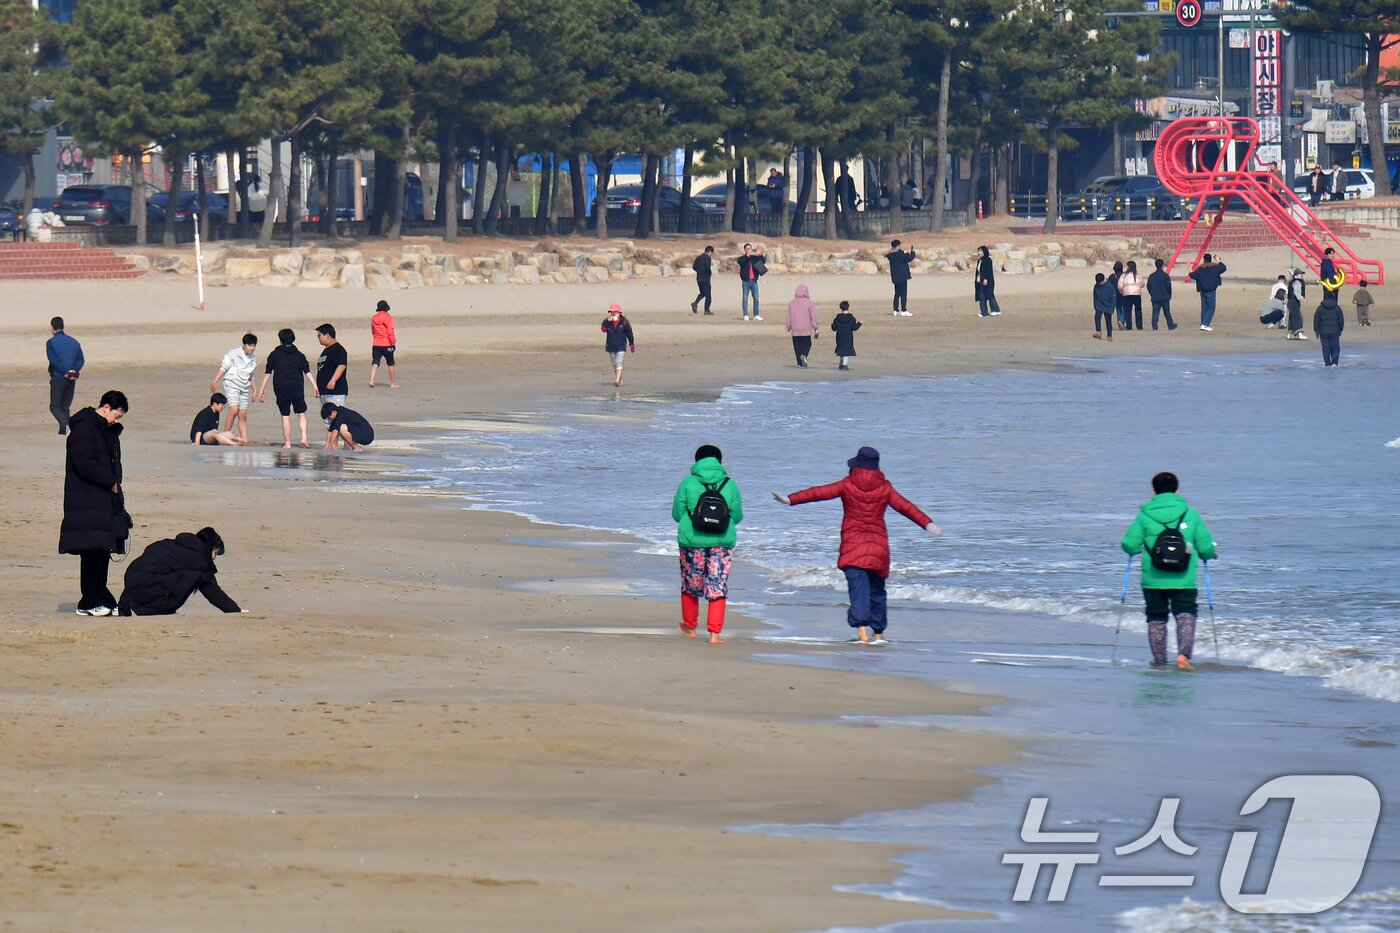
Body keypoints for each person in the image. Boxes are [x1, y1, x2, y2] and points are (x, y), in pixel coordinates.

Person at [772, 446, 941, 645]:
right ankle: (878, 635)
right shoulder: (885, 488)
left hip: (853, 545)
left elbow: (819, 492)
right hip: (878, 546)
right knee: (877, 591)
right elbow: (906, 507)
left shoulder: (847, 484)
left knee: (858, 589)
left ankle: (862, 634)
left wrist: (791, 499)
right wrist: (927, 523)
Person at [1120, 471, 1218, 670]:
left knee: (1156, 618)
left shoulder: (1145, 515)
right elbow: (1206, 547)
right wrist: (1209, 554)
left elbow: (1129, 544)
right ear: (1177, 491)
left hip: (1153, 578)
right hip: (1184, 578)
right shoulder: (1190, 514)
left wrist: (1139, 548)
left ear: (1154, 491)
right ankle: (1183, 656)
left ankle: (1160, 661)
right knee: (1185, 615)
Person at [60, 389, 128, 617]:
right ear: (105, 407)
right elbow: (84, 463)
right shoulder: (83, 429)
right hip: (86, 500)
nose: (116, 420)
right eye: (116, 415)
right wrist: (111, 482)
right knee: (91, 553)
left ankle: (101, 598)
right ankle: (88, 602)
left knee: (102, 552)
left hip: (102, 501)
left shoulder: (105, 431)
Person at [671, 444, 743, 645]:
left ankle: (690, 627)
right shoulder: (730, 484)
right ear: (719, 462)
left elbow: (677, 514)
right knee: (717, 585)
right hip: (721, 542)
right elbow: (737, 516)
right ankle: (714, 634)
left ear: (697, 461)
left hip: (692, 541)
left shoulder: (687, 483)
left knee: (690, 583)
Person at [116, 527, 242, 616]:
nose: (214, 557)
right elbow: (212, 591)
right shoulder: (199, 558)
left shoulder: (176, 545)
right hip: (147, 586)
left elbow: (143, 570)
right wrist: (235, 611)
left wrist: (123, 604)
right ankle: (158, 608)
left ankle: (137, 605)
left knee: (152, 572)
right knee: (197, 577)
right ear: (210, 547)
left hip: (132, 579)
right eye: (215, 552)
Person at [257, 328, 318, 448]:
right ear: (293, 339)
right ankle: (304, 438)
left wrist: (262, 390)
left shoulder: (274, 354)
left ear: (280, 340)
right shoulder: (299, 355)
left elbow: (268, 373)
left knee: (285, 415)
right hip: (297, 386)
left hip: (281, 387)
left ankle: (288, 443)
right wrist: (314, 385)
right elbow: (307, 371)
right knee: (301, 413)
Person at [210, 334, 257, 443]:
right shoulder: (234, 353)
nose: (252, 348)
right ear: (244, 345)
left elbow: (251, 375)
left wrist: (254, 390)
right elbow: (224, 367)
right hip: (232, 383)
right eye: (250, 345)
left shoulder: (252, 358)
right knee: (234, 410)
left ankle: (245, 439)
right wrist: (215, 381)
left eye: (254, 346)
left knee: (243, 414)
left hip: (244, 386)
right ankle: (226, 435)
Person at [46, 316, 84, 436]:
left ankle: (67, 425)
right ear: (63, 326)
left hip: (59, 377)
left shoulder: (51, 342)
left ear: (52, 328)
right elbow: (81, 359)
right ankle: (63, 432)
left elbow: (53, 360)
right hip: (71, 377)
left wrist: (65, 372)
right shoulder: (74, 341)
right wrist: (73, 371)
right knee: (65, 406)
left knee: (55, 406)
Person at [315, 324, 348, 422]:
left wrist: (333, 380)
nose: (318, 338)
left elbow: (341, 365)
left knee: (336, 421)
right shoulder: (327, 350)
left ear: (327, 335)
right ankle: (331, 438)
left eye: (319, 336)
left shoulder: (338, 349)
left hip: (335, 392)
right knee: (327, 422)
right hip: (324, 392)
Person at [1186, 253, 1226, 331]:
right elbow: (1223, 268)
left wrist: (1189, 267)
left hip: (1203, 291)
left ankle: (1203, 324)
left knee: (1204, 308)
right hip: (1211, 291)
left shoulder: (1200, 269)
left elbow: (1192, 275)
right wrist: (1218, 261)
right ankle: (1205, 324)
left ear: (1204, 260)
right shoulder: (1215, 267)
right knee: (1211, 308)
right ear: (1210, 259)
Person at [601, 302, 635, 387]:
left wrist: (631, 343)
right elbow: (603, 330)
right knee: (615, 365)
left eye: (615, 312)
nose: (613, 313)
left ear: (619, 312)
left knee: (619, 363)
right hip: (611, 346)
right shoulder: (608, 321)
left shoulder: (624, 322)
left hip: (621, 346)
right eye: (612, 312)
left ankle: (616, 380)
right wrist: (606, 322)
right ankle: (620, 381)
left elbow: (629, 333)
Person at [786, 284, 819, 367]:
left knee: (797, 346)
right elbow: (813, 317)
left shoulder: (792, 303)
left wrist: (788, 326)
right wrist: (816, 328)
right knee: (807, 344)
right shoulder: (810, 303)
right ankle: (804, 354)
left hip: (795, 329)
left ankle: (799, 363)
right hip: (806, 328)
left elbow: (789, 316)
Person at [369, 299, 399, 388]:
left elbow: (373, 331)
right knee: (391, 363)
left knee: (375, 362)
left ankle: (372, 381)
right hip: (387, 344)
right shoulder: (388, 317)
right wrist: (393, 343)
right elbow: (390, 331)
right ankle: (392, 383)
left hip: (376, 344)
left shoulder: (374, 318)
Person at [1314, 291, 1344, 366]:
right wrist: (1340, 329)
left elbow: (1316, 320)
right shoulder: (1337, 308)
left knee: (1325, 347)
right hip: (1335, 331)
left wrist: (1316, 330)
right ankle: (1335, 362)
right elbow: (1341, 320)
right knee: (1335, 347)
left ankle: (1327, 363)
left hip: (1323, 332)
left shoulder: (1320, 308)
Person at [736, 243, 766, 321]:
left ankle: (756, 315)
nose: (749, 250)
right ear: (745, 250)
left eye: (750, 248)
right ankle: (745, 314)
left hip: (754, 281)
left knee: (756, 298)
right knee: (745, 299)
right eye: (747, 248)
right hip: (745, 281)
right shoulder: (742, 258)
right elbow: (740, 262)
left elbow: (763, 261)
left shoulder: (754, 258)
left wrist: (760, 255)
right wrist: (747, 255)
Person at [886, 239, 916, 317]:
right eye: (899, 245)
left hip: (895, 277)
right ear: (897, 246)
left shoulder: (891, 256)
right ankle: (904, 310)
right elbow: (909, 258)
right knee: (903, 294)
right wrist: (913, 252)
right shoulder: (900, 255)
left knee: (897, 294)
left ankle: (895, 310)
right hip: (902, 277)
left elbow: (905, 257)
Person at [1147, 258, 1177, 331]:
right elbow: (1168, 286)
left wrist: (1152, 294)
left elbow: (1148, 286)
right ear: (1163, 265)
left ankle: (1154, 326)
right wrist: (1169, 295)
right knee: (1167, 312)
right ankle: (1170, 325)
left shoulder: (1152, 276)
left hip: (1155, 297)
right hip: (1164, 297)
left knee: (1155, 313)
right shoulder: (1165, 276)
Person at [831, 300, 861, 371]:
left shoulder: (837, 318)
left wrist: (832, 325)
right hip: (848, 337)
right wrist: (859, 323)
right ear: (848, 307)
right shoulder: (851, 318)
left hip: (839, 337)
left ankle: (841, 363)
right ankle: (844, 364)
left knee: (841, 349)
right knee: (846, 351)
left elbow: (833, 328)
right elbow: (854, 328)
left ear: (840, 308)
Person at [974, 245, 1001, 317]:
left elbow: (988, 271)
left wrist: (985, 279)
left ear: (984, 252)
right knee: (982, 297)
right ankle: (984, 312)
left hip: (988, 281)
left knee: (990, 295)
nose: (979, 252)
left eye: (980, 251)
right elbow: (979, 271)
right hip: (980, 281)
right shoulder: (980, 260)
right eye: (979, 251)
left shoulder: (988, 260)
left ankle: (996, 310)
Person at [1118, 260, 1145, 331]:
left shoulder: (1123, 276)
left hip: (1127, 295)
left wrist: (1122, 291)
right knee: (1138, 311)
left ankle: (1129, 326)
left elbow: (1119, 286)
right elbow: (1142, 284)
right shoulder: (1138, 275)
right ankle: (1139, 326)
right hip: (1137, 294)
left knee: (1128, 311)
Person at [1285, 268, 1308, 340]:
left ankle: (1290, 334)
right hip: (1294, 301)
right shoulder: (1298, 282)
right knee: (1298, 317)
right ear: (1297, 275)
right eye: (1300, 274)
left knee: (1292, 318)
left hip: (1290, 301)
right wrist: (1302, 299)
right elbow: (1296, 292)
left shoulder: (1292, 281)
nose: (1302, 275)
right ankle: (1299, 334)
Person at [690, 245, 714, 315]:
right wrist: (710, 273)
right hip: (705, 278)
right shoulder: (707, 258)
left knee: (703, 293)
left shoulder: (698, 257)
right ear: (709, 252)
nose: (711, 255)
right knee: (708, 295)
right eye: (711, 253)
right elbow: (707, 268)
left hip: (699, 278)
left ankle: (695, 303)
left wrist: (699, 270)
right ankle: (706, 310)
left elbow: (694, 267)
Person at [1092, 273, 1116, 342]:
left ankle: (1109, 335)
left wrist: (1112, 308)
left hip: (1108, 305)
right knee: (1097, 317)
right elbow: (1095, 296)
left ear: (1103, 280)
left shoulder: (1110, 286)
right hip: (1099, 304)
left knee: (1108, 320)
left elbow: (1113, 298)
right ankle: (1098, 331)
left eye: (1100, 282)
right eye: (1098, 283)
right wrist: (1096, 306)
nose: (1099, 284)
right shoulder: (1096, 286)